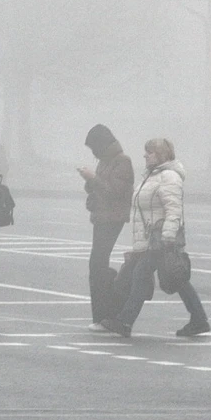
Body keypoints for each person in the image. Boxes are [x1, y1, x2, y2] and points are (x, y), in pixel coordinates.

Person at [101, 138, 210, 338]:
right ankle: (199, 319)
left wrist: (168, 235)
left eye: (149, 152)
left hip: (161, 238)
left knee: (143, 274)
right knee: (177, 280)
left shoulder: (168, 177)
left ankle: (125, 321)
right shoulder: (153, 175)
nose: (145, 155)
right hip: (153, 237)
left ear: (160, 155)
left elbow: (174, 208)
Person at [78, 124, 133, 331]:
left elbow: (115, 192)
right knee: (97, 264)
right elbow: (101, 188)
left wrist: (94, 178)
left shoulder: (122, 161)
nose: (93, 152)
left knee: (97, 263)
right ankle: (101, 314)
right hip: (101, 217)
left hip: (112, 217)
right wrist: (89, 181)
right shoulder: (105, 161)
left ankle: (105, 313)